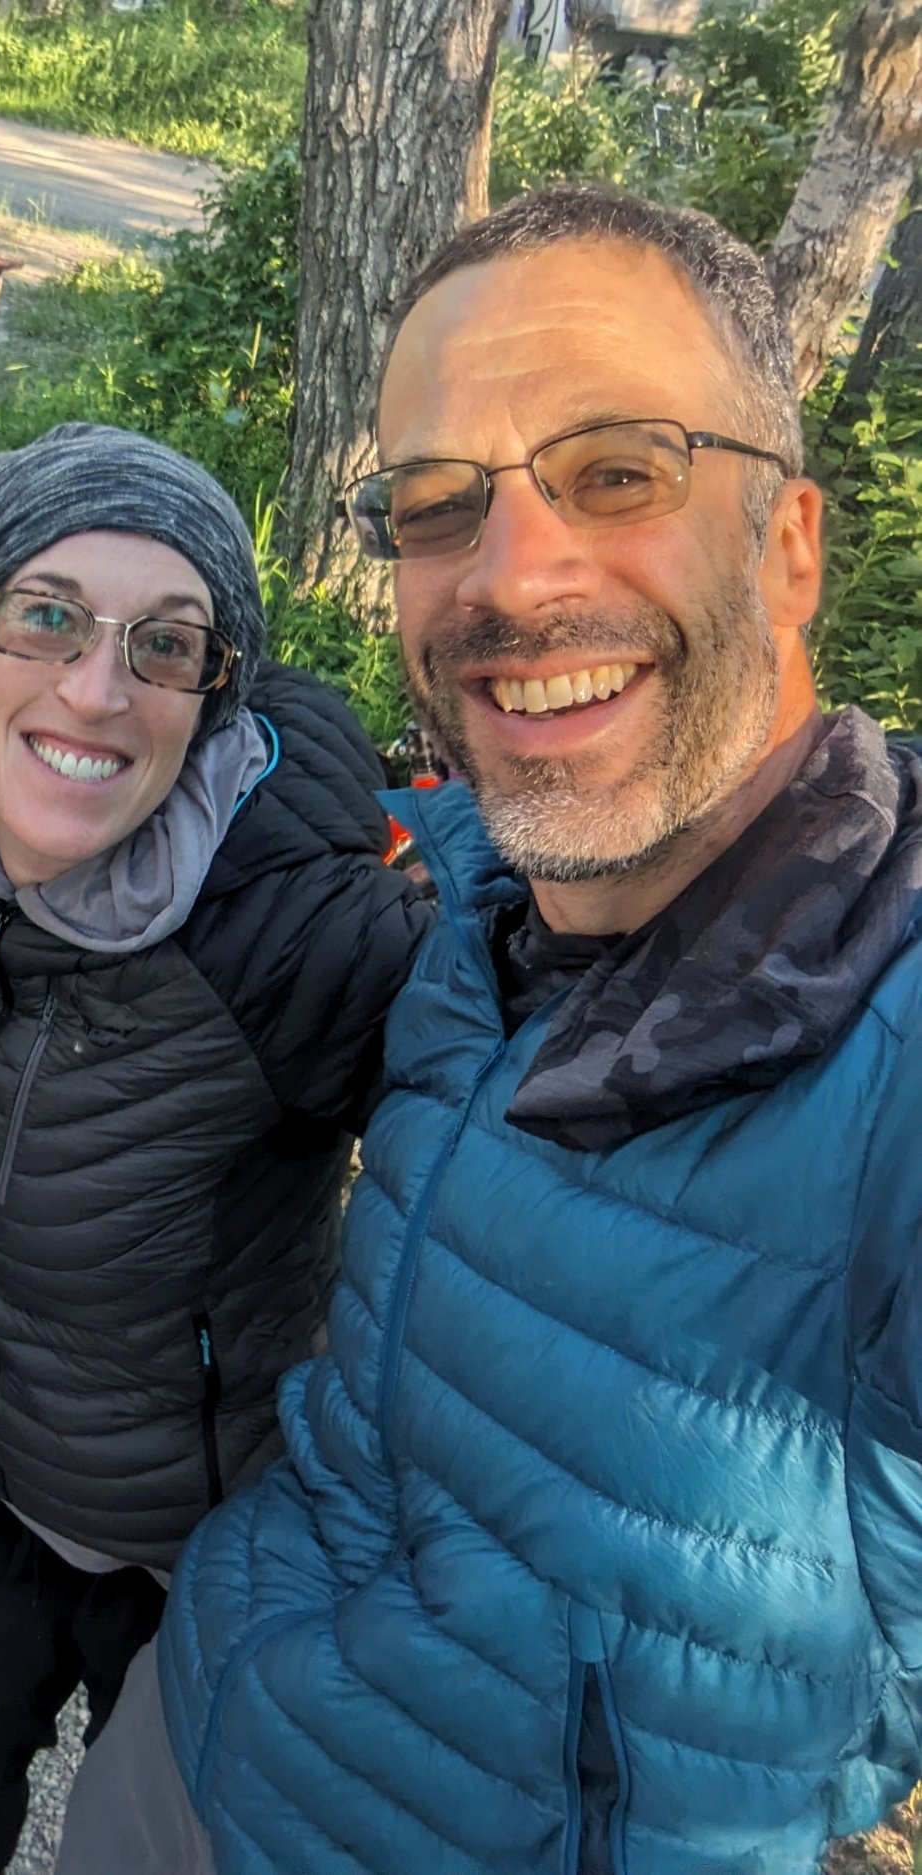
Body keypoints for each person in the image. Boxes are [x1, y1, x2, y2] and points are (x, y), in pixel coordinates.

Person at [153, 182, 922, 1873]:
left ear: (789, 545)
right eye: (436, 507)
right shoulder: (473, 893)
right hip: (196, 1738)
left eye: (617, 473)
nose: (509, 575)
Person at [0, 425, 429, 1875]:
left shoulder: (291, 934)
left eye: (166, 643)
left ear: (213, 696)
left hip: (210, 1528)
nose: (92, 685)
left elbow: (544, 1068)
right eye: (44, 615)